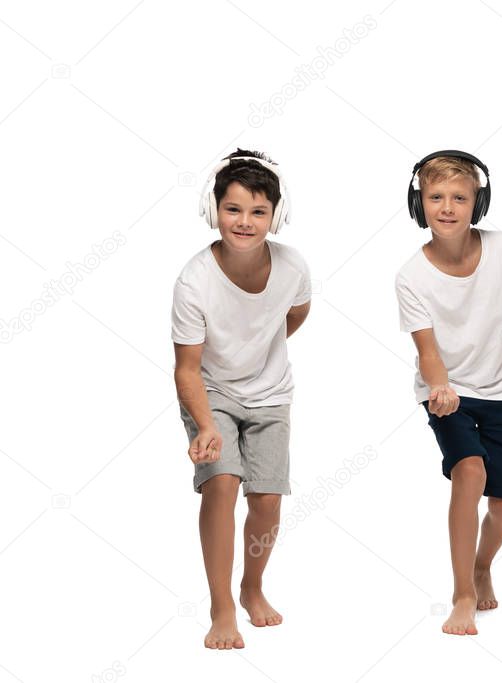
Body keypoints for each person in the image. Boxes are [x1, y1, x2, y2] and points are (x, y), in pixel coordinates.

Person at [395, 150, 502, 635]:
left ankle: (482, 564)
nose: (447, 207)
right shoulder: (411, 275)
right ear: (418, 203)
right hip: (448, 393)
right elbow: (426, 348)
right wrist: (439, 386)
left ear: (478, 203)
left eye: (459, 197)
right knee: (468, 472)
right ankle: (462, 595)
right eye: (435, 197)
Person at [171, 149, 311, 649]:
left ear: (276, 215)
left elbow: (295, 313)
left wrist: (260, 348)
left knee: (268, 499)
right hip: (212, 393)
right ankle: (221, 606)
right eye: (233, 209)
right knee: (223, 484)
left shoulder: (293, 266)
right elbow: (186, 368)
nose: (244, 222)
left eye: (257, 211)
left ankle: (252, 588)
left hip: (271, 393)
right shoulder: (193, 280)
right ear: (214, 211)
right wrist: (206, 426)